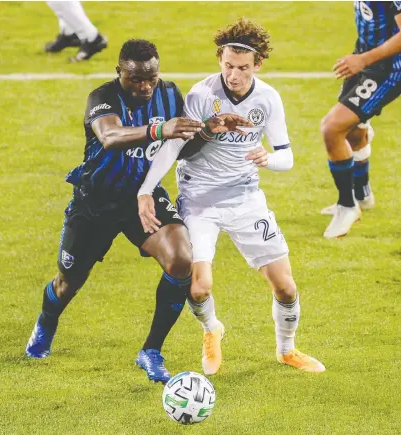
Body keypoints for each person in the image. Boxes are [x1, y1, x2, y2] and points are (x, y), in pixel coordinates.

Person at [137, 19, 326, 374]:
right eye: (227, 66)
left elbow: (287, 155)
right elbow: (178, 149)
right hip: (199, 201)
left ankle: (287, 350)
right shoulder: (201, 95)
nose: (233, 75)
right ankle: (212, 330)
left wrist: (268, 159)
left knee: (285, 287)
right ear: (220, 60)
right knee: (198, 288)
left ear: (257, 64)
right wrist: (147, 188)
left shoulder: (268, 99)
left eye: (242, 68)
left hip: (245, 198)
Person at [25, 39, 206, 384]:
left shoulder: (169, 95)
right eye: (135, 78)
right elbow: (109, 136)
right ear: (119, 73)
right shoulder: (102, 97)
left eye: (151, 78)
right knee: (68, 283)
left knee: (181, 258)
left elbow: (181, 148)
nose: (145, 86)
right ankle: (47, 322)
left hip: (143, 197)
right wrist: (158, 129)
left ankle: (151, 351)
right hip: (94, 202)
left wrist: (209, 130)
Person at [321, 1, 401, 238]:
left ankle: (347, 205)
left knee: (332, 128)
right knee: (350, 128)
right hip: (364, 57)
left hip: (387, 69)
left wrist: (364, 60)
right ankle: (362, 194)